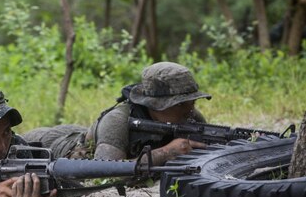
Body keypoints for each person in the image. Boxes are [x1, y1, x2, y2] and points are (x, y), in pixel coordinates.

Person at [23, 61, 211, 165]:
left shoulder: (190, 117)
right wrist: (165, 153)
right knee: (19, 146)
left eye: (192, 102)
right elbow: (104, 171)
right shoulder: (118, 120)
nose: (190, 109)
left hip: (90, 134)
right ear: (156, 104)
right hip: (60, 145)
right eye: (180, 104)